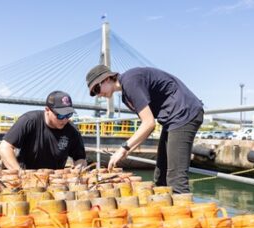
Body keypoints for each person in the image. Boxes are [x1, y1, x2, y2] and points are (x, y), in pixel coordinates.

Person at [86, 65, 204, 193]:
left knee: (176, 181)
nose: (98, 95)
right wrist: (128, 150)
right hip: (171, 119)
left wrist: (123, 148)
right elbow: (148, 127)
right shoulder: (126, 95)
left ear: (107, 78)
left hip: (184, 114)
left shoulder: (130, 82)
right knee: (160, 177)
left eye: (97, 88)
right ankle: (162, 209)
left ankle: (180, 211)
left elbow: (149, 123)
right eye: (94, 93)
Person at [0, 91, 87, 170]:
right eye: (60, 115)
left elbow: (80, 158)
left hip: (56, 181)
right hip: (27, 176)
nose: (65, 119)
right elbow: (4, 148)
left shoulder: (72, 130)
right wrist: (19, 173)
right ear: (47, 110)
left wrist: (79, 168)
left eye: (68, 115)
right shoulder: (29, 120)